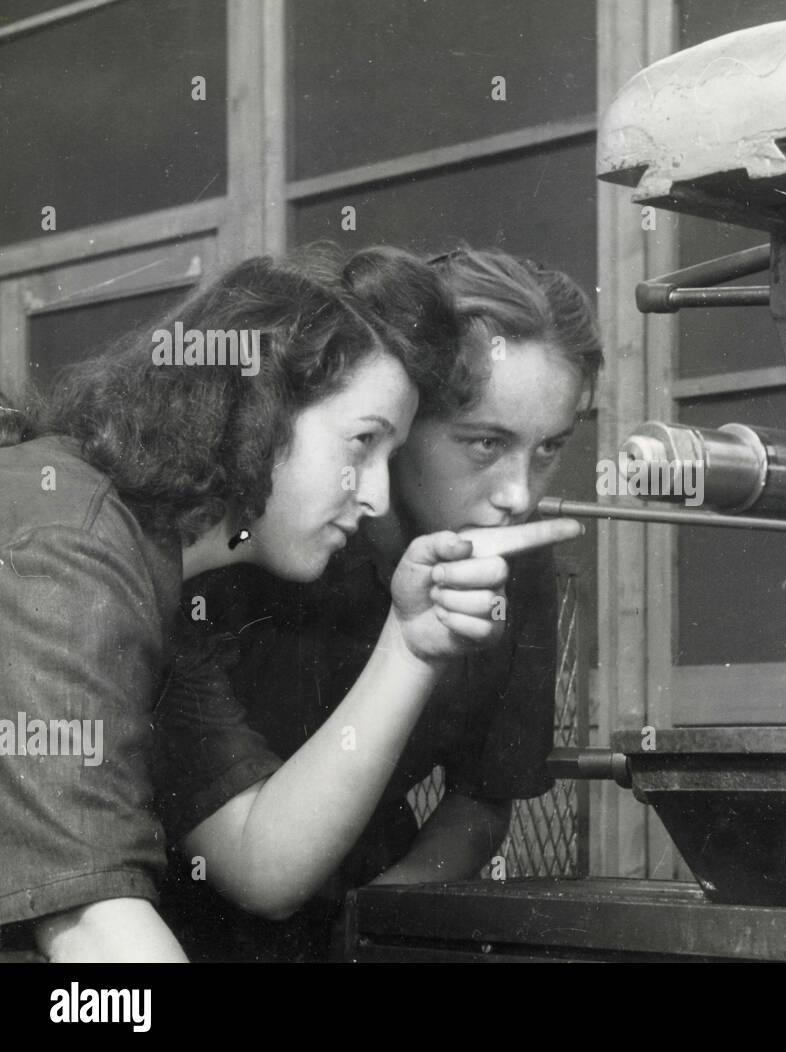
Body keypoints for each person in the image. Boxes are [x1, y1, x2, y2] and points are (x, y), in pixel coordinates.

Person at [0, 245, 574, 961]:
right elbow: (94, 928)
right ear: (259, 408)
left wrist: (409, 641)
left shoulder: (162, 579)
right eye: (363, 443)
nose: (375, 498)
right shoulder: (69, 546)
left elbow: (258, 858)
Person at [155, 247, 603, 961]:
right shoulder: (249, 547)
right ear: (400, 417)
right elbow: (251, 861)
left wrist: (381, 922)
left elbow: (485, 794)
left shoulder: (512, 552)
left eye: (549, 449)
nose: (519, 494)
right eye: (485, 443)